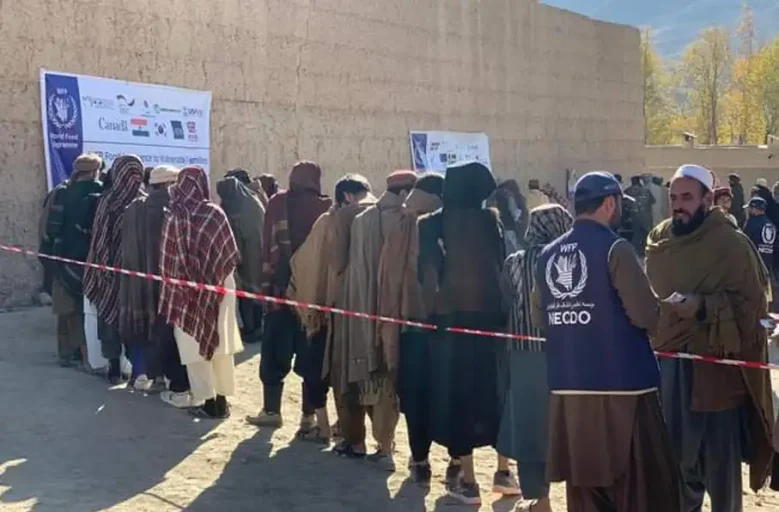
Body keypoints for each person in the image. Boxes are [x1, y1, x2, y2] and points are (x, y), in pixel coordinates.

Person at [531, 171, 681, 512]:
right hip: (625, 392)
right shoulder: (616, 248)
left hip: (568, 391)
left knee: (586, 496)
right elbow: (645, 315)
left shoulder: (547, 254)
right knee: (643, 493)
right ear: (610, 203)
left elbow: (541, 318)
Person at [645, 164, 775, 512]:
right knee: (676, 467)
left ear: (707, 200)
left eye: (687, 197)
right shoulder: (659, 241)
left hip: (718, 371)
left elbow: (753, 307)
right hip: (671, 371)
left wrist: (703, 306)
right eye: (674, 197)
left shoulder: (731, 244)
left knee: (721, 471)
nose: (678, 205)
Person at [418, 162, 505, 505]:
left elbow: (428, 275)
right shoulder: (490, 221)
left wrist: (428, 314)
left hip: (449, 322)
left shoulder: (431, 224)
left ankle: (468, 480)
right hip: (491, 320)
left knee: (457, 396)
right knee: (492, 391)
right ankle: (504, 471)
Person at [283, 177, 374, 444]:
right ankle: (326, 427)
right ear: (347, 196)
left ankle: (333, 428)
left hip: (332, 311)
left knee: (331, 373)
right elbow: (310, 261)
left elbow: (303, 262)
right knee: (324, 372)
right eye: (363, 194)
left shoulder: (347, 221)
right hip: (339, 312)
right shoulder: (335, 222)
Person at [497, 204, 573, 512]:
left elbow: (506, 301)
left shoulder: (514, 261)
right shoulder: (570, 260)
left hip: (524, 355)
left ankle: (540, 501)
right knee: (569, 427)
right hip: (566, 355)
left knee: (529, 428)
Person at [341, 169, 418, 471]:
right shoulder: (409, 221)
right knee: (391, 380)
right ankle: (390, 448)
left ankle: (384, 446)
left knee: (374, 377)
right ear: (405, 193)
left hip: (363, 313)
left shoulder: (362, 221)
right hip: (400, 314)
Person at [247, 162, 332, 431]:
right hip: (313, 297)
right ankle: (308, 418)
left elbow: (267, 247)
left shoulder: (278, 203)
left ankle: (272, 411)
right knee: (312, 359)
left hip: (280, 292)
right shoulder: (326, 208)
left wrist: (266, 285)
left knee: (274, 353)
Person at [158, 166, 243, 419]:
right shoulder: (215, 214)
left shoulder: (174, 217)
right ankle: (221, 400)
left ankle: (207, 400)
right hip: (219, 288)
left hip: (184, 294)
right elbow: (229, 254)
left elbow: (167, 262)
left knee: (192, 347)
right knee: (220, 344)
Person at [376, 173, 443, 483]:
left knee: (415, 397)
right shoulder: (443, 222)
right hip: (442, 325)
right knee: (443, 392)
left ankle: (420, 460)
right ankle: (456, 463)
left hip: (407, 325)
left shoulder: (401, 224)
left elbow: (388, 278)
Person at [321, 175, 377, 458]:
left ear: (346, 197)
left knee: (347, 376)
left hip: (349, 306)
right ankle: (386, 444)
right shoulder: (394, 213)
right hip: (384, 308)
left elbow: (336, 262)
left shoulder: (343, 217)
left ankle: (355, 441)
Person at [83, 155, 145, 384]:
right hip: (138, 275)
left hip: (111, 271)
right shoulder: (143, 201)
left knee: (109, 318)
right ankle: (135, 371)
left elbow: (99, 240)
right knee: (135, 319)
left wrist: (102, 270)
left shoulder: (108, 201)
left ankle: (115, 369)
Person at [118, 165, 180, 392]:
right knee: (165, 329)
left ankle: (141, 374)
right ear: (170, 184)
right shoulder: (174, 209)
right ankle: (164, 377)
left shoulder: (132, 208)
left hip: (135, 281)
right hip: (165, 281)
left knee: (140, 326)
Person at [46, 154, 104, 367]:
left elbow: (51, 228)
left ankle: (66, 353)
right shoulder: (100, 191)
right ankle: (87, 355)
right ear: (95, 171)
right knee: (87, 310)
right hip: (90, 258)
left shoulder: (62, 192)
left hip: (63, 258)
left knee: (65, 309)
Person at [216, 175, 265, 344]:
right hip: (255, 252)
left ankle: (253, 329)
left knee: (248, 291)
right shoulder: (248, 199)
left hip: (250, 252)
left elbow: (235, 234)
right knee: (252, 290)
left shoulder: (238, 207)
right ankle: (254, 327)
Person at [488, 179, 528, 253]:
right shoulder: (508, 194)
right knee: (519, 250)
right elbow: (514, 211)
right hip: (510, 226)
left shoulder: (491, 195)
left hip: (497, 229)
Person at [623, 175, 655, 255]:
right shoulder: (646, 190)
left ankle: (637, 251)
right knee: (647, 234)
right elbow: (652, 202)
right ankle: (648, 250)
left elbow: (624, 204)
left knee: (636, 234)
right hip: (646, 216)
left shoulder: (627, 191)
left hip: (634, 217)